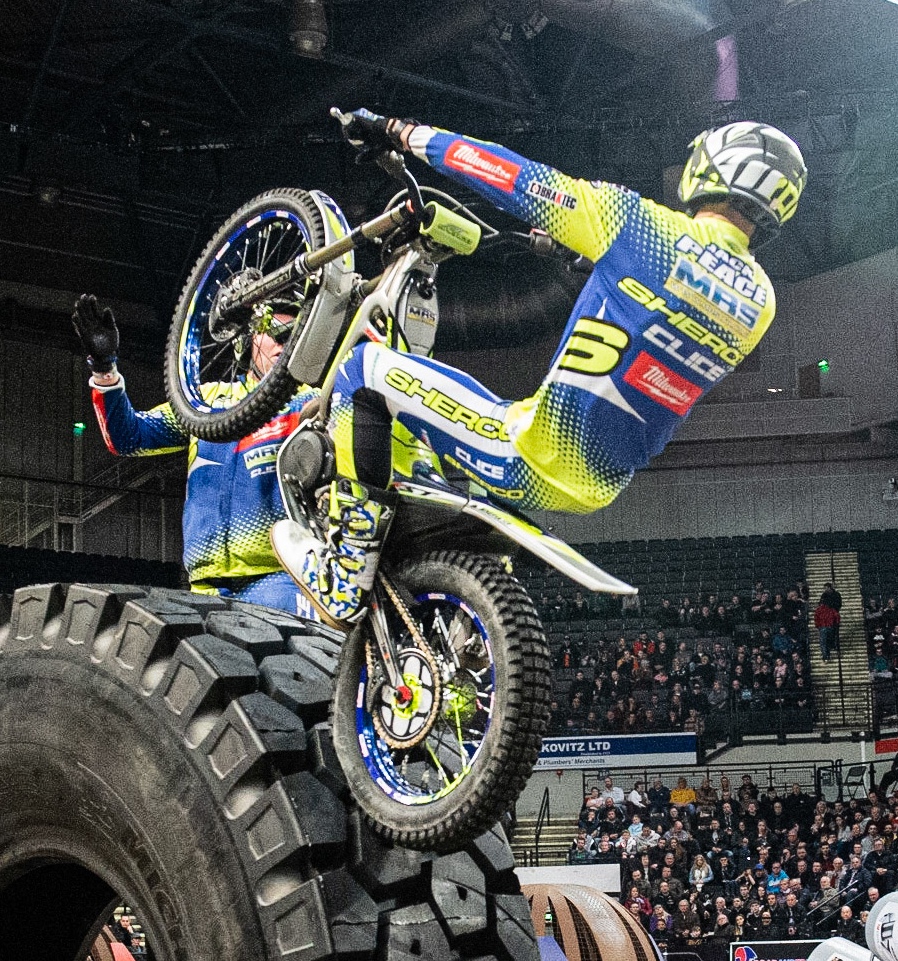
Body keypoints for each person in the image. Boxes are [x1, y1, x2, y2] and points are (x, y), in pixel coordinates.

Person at [272, 110, 806, 623]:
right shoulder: (760, 302)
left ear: (710, 167)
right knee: (441, 425)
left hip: (532, 450)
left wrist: (401, 132)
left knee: (363, 368)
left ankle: (344, 570)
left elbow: (510, 175)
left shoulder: (640, 226)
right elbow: (666, 308)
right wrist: (595, 257)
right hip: (602, 484)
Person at [71, 295, 313, 611]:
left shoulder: (309, 404)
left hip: (283, 582)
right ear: (245, 342)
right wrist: (104, 368)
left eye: (293, 333)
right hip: (204, 588)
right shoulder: (204, 402)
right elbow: (128, 437)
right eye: (273, 330)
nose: (284, 340)